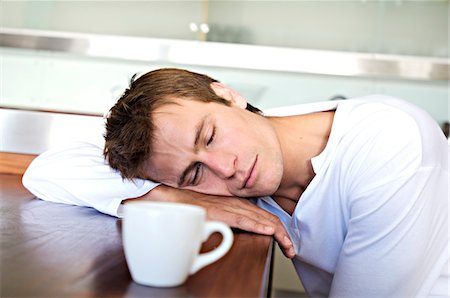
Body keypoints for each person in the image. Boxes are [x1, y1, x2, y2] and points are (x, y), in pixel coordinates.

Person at [23, 68, 449, 297]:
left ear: (227, 95)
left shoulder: (389, 142)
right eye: (194, 174)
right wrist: (172, 195)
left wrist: (186, 189)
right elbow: (46, 169)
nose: (224, 169)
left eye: (208, 136)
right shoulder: (230, 173)